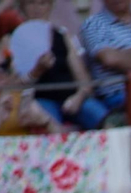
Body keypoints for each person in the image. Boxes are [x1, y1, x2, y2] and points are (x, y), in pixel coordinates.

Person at [16, 0, 107, 129]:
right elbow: (15, 84)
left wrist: (79, 97)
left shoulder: (63, 35)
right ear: (22, 8)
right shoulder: (14, 39)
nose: (37, 9)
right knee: (49, 125)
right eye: (31, 3)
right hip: (40, 99)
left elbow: (83, 79)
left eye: (42, 3)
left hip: (71, 97)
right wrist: (37, 70)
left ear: (50, 7)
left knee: (104, 118)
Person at [0, 36, 61, 136]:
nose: (0, 72)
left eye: (4, 66)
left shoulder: (20, 97)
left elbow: (64, 139)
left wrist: (45, 122)